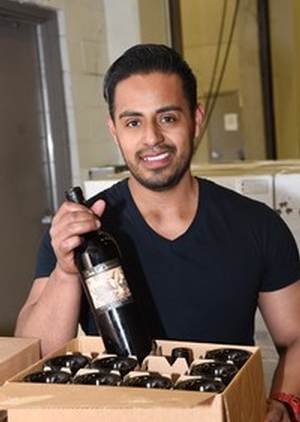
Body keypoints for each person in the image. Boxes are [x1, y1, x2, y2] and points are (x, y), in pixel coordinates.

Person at [15, 44, 300, 421]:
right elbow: (33, 354)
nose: (152, 138)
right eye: (133, 122)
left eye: (167, 118)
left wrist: (284, 401)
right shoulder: (81, 232)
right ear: (114, 130)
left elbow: (295, 337)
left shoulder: (257, 226)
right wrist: (66, 272)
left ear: (196, 120)